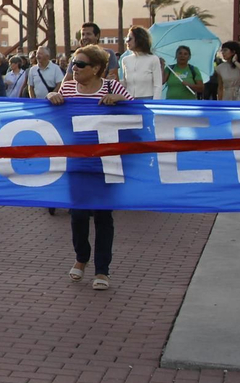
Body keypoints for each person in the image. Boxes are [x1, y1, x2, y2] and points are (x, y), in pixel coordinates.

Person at [45, 43, 133, 290]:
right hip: (77, 160)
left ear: (96, 69)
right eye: (73, 63)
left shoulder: (111, 86)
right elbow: (54, 118)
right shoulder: (69, 87)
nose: (74, 68)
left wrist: (122, 101)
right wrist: (51, 98)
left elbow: (141, 114)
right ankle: (81, 258)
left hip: (107, 161)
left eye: (80, 64)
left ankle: (102, 270)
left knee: (104, 215)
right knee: (79, 213)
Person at [117, 26, 164, 100]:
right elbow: (126, 83)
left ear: (139, 39)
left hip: (148, 100)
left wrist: (155, 104)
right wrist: (114, 81)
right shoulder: (125, 60)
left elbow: (157, 85)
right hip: (129, 100)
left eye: (129, 39)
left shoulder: (153, 59)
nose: (127, 41)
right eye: (126, 39)